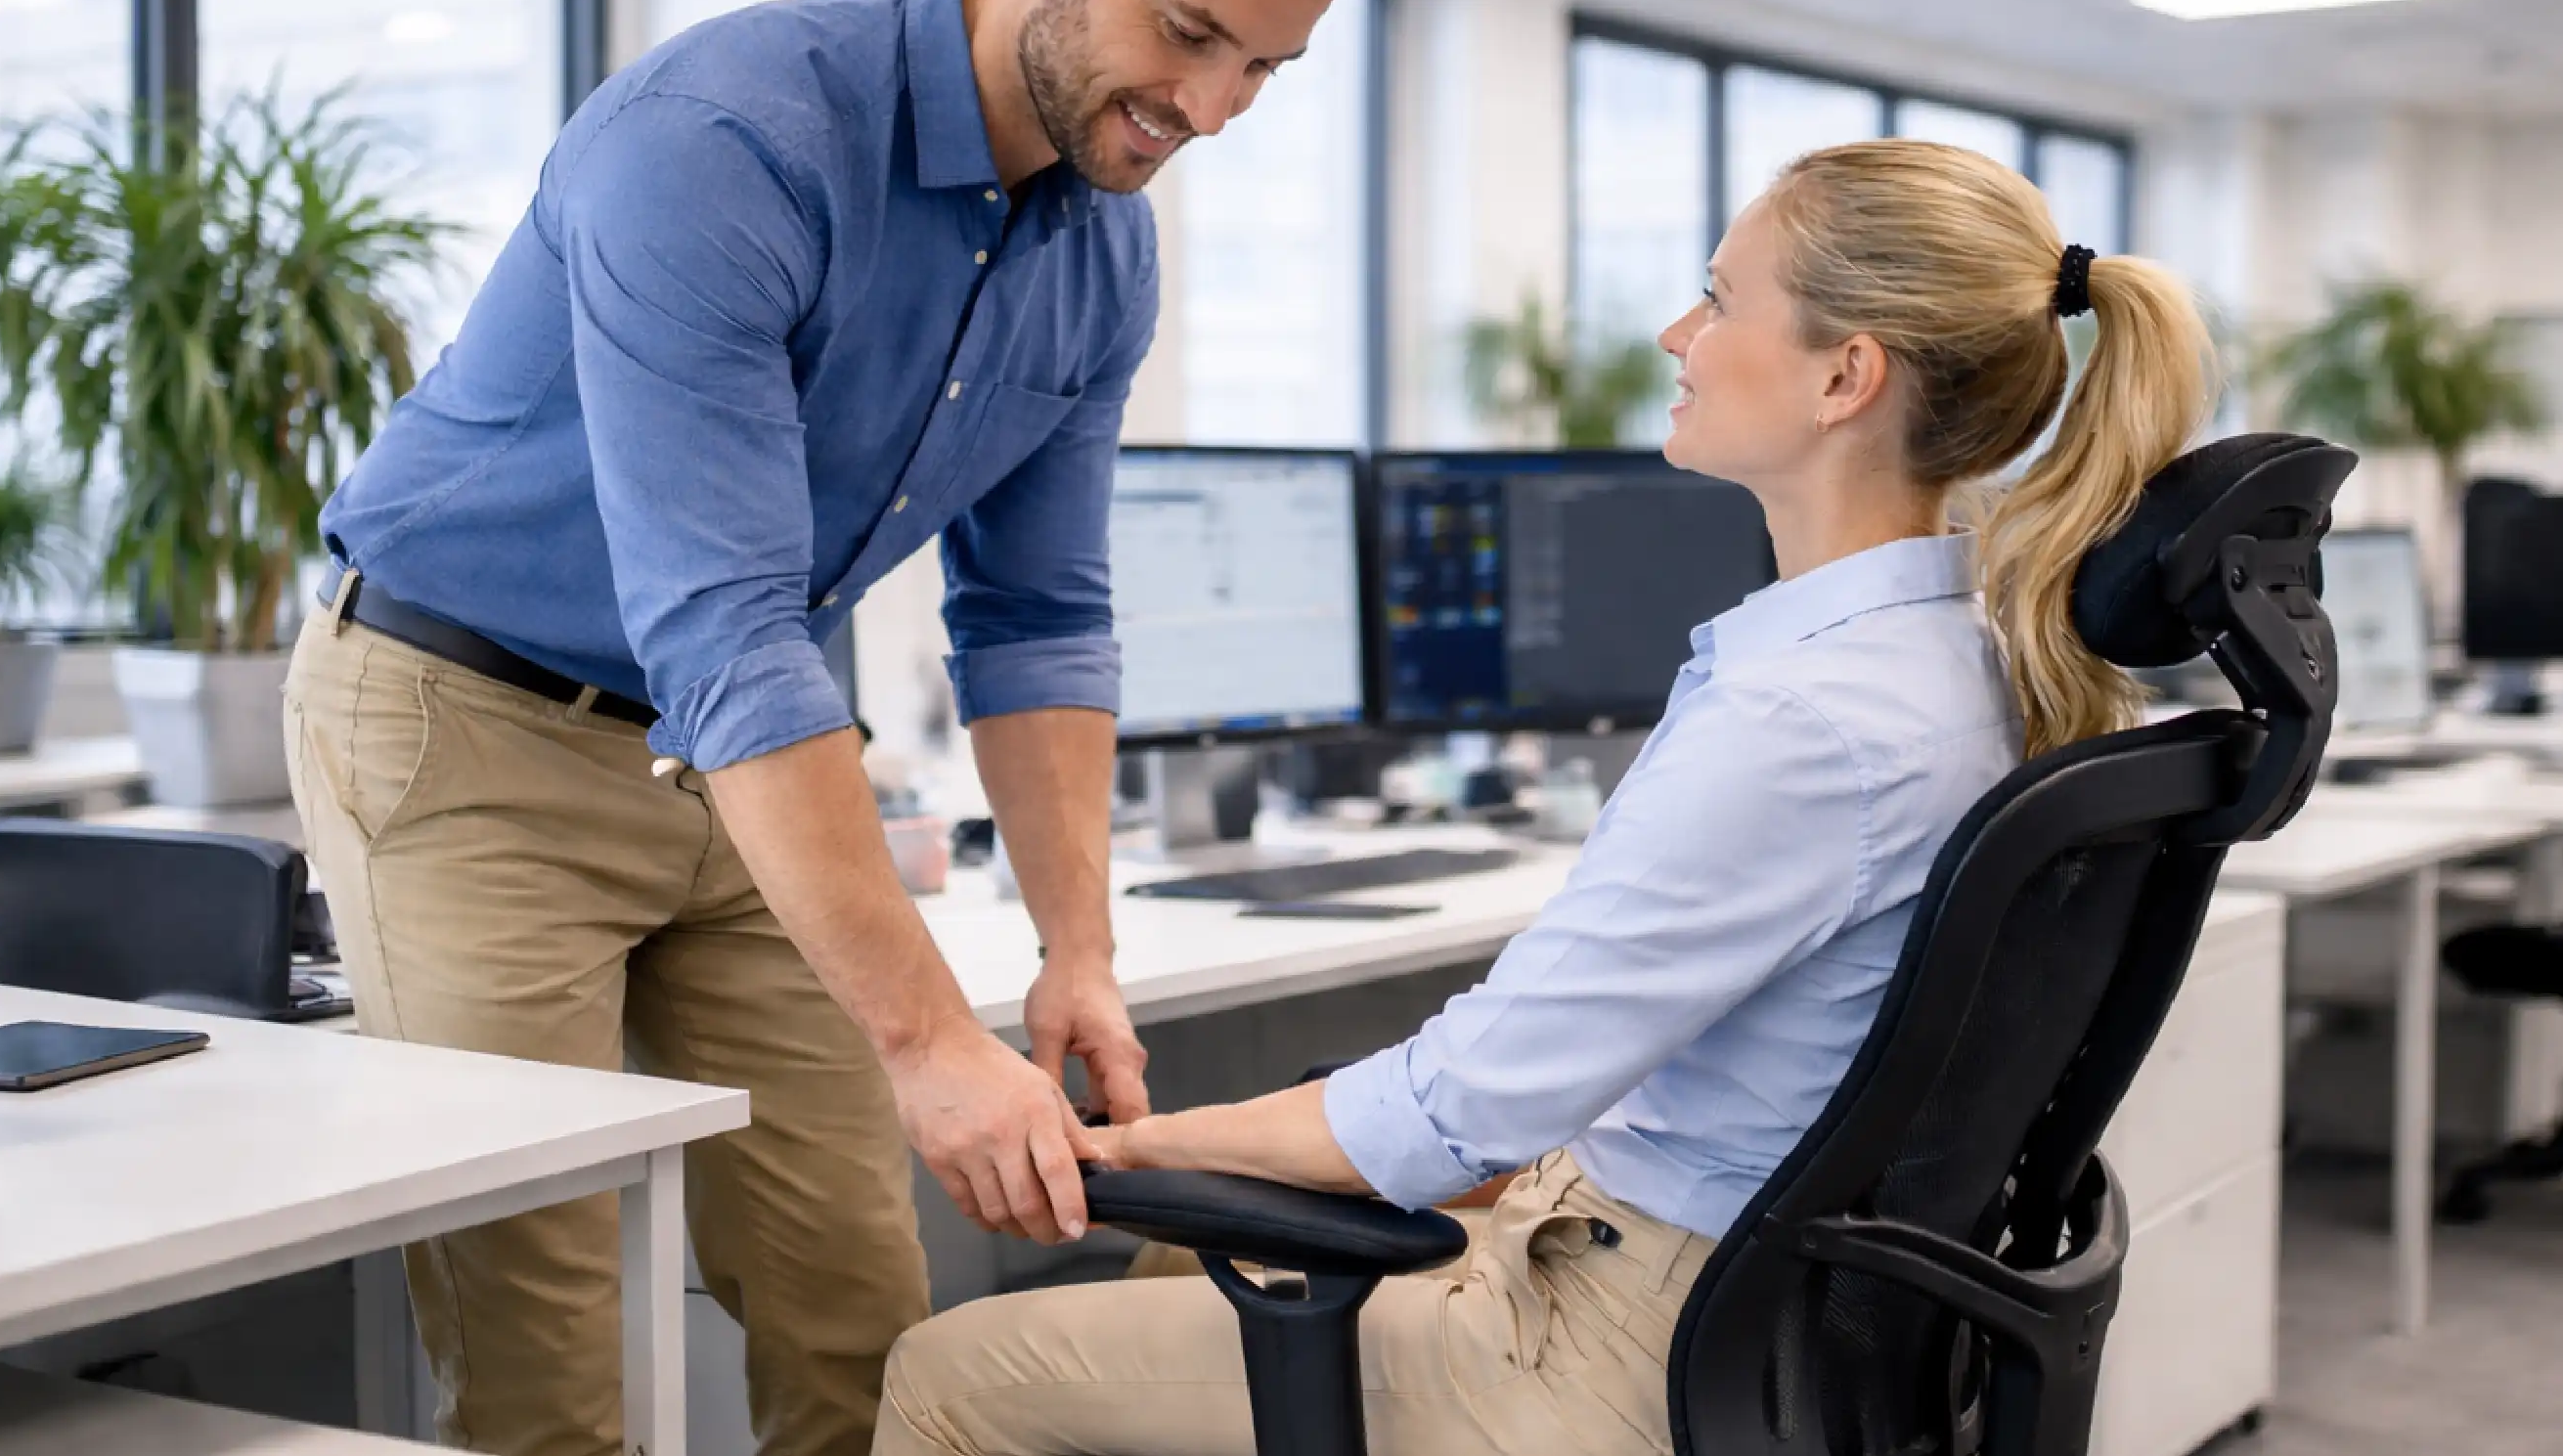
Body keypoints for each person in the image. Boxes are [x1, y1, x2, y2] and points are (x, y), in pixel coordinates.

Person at [283, 0, 1395, 1456]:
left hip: (750, 751)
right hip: (467, 722)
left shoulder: (1101, 246)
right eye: (1189, 33)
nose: (1210, 111)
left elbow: (1036, 618)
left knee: (855, 1310)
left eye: (1266, 67)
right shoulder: (727, 137)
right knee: (543, 1345)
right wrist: (936, 1039)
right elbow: (724, 624)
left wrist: (1075, 956)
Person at [871, 139, 2217, 1455]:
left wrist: (1109, 1150)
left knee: (950, 1369)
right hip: (1781, 1316)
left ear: (1845, 376)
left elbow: (1451, 1112)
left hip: (1632, 1347)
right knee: (1196, 1255)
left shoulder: (1804, 719)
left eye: (1720, 294)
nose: (1677, 332)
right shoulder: (1973, 663)